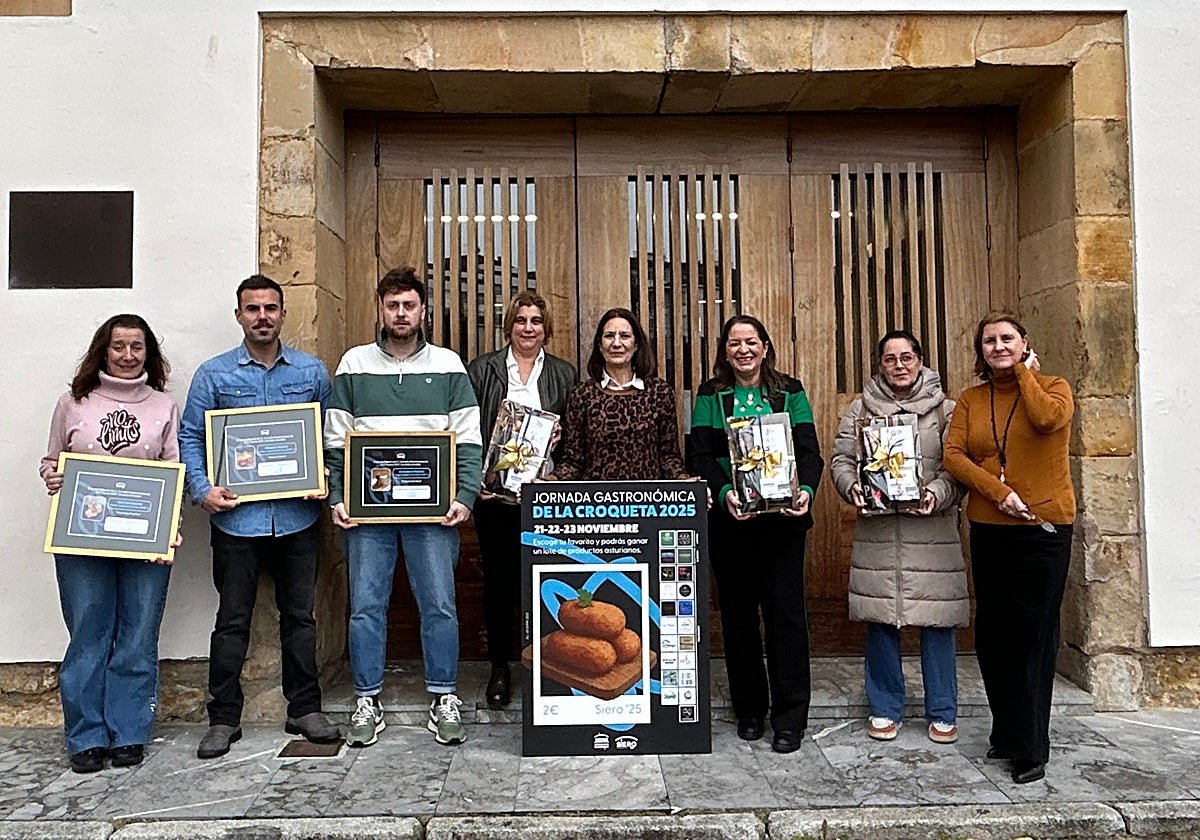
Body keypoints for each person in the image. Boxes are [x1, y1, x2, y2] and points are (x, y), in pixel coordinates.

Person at [179, 275, 339, 760]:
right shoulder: (214, 374)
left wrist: (328, 477)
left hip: (297, 518)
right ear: (239, 315)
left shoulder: (312, 372)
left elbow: (331, 437)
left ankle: (304, 709)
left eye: (271, 308)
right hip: (236, 522)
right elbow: (191, 437)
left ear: (284, 314)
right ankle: (223, 718)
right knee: (232, 622)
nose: (262, 316)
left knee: (300, 618)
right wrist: (202, 491)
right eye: (253, 309)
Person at [325, 266, 483, 747]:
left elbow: (469, 441)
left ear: (422, 310)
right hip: (366, 515)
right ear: (380, 308)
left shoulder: (450, 365)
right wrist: (337, 496)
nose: (400, 313)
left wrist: (464, 496)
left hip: (433, 514)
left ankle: (444, 697)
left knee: (439, 604)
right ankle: (366, 700)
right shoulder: (353, 364)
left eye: (409, 305)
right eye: (392, 305)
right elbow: (335, 440)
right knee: (365, 608)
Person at [39, 314, 181, 774]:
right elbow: (50, 460)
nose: (127, 355)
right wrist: (54, 476)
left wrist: (170, 526)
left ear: (148, 353)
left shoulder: (163, 406)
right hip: (81, 538)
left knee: (138, 634)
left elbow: (172, 473)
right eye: (118, 346)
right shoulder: (73, 403)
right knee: (88, 634)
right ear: (103, 350)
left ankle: (129, 732)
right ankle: (85, 736)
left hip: (147, 541)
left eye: (136, 347)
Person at [942, 311, 1075, 785]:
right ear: (980, 351)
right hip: (991, 527)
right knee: (995, 636)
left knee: (1033, 636)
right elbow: (953, 456)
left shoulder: (1054, 387)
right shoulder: (971, 400)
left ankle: (1031, 747)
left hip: (1044, 529)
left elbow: (1046, 420)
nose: (997, 347)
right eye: (989, 341)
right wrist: (999, 493)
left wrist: (1026, 374)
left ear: (1024, 343)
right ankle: (1006, 732)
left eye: (1007, 339)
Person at [687, 314, 823, 754]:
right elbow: (699, 455)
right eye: (733, 343)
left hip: (782, 524)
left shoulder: (790, 391)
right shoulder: (711, 395)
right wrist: (724, 490)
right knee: (739, 618)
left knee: (785, 617)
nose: (743, 350)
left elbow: (808, 450)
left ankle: (790, 717)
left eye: (751, 342)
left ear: (765, 346)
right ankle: (749, 711)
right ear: (724, 351)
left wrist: (805, 490)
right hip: (732, 523)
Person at [829, 329, 968, 745]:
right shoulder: (860, 411)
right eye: (890, 359)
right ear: (880, 365)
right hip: (879, 534)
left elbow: (959, 469)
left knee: (938, 622)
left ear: (921, 361)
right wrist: (851, 486)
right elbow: (841, 459)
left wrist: (936, 494)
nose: (899, 365)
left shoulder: (948, 411)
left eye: (907, 357)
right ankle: (885, 706)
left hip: (933, 534)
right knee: (881, 622)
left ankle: (942, 708)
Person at [466, 291, 577, 709]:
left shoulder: (563, 374)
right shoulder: (484, 370)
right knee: (499, 584)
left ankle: (547, 669)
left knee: (546, 582)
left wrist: (562, 440)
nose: (528, 328)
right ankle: (500, 667)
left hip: (545, 496)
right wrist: (473, 474)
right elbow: (466, 427)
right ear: (509, 325)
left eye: (535, 321)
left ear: (546, 328)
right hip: (493, 497)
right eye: (520, 320)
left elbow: (577, 437)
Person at [549, 307, 689, 482]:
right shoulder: (582, 395)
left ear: (636, 344)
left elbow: (669, 457)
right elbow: (572, 461)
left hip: (648, 502)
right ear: (600, 345)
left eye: (624, 336)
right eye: (609, 336)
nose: (616, 343)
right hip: (596, 503)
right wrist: (549, 482)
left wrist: (684, 480)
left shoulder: (659, 393)